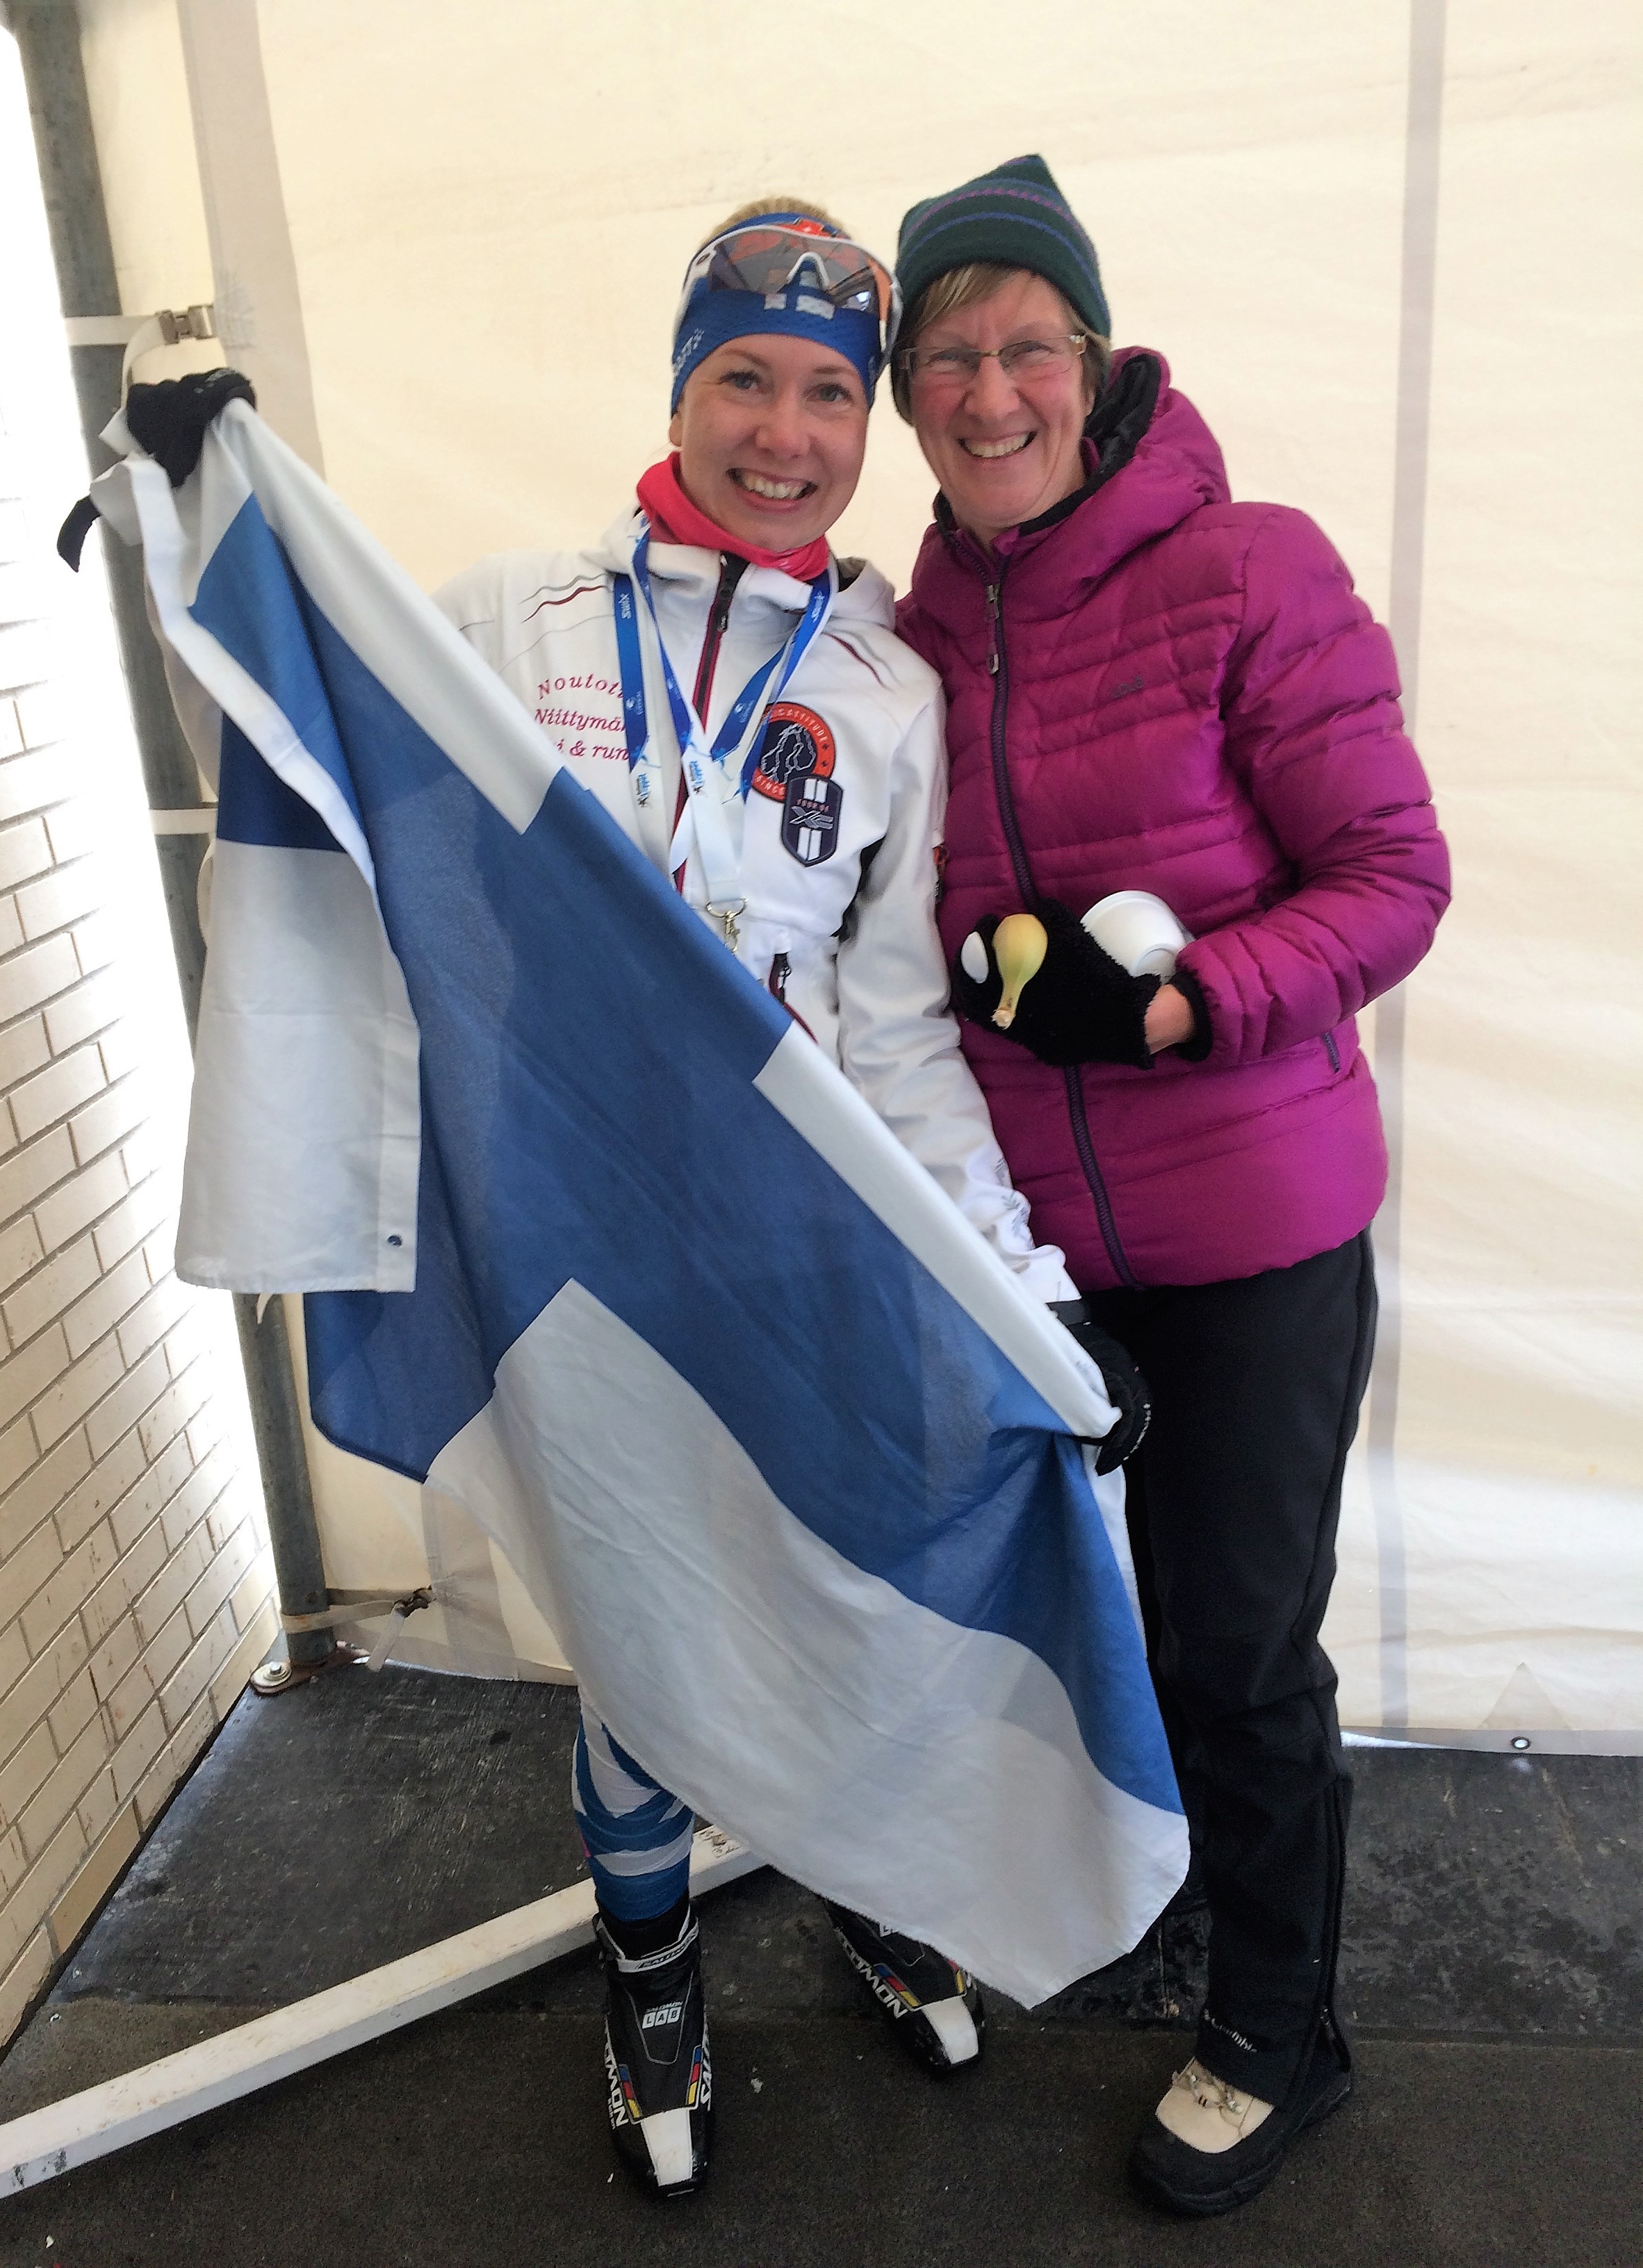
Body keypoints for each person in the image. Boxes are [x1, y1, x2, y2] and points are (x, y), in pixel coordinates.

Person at [433, 198, 1150, 2199]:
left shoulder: (887, 688)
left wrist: (1023, 1291)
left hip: (797, 1246)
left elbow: (901, 1037)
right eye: (742, 379)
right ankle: (650, 1967)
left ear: (867, 424)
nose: (784, 433)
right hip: (579, 1242)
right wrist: (192, 523)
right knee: (644, 1624)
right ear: (680, 389)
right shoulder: (506, 621)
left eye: (829, 394)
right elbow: (319, 763)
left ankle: (862, 1871)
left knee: (844, 1587)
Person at [889, 155, 1451, 2217]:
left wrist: (1179, 1002)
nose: (990, 391)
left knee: (1234, 1646)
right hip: (1028, 1250)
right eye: (944, 358)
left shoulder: (1250, 569)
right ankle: (1166, 1902)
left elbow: (1393, 880)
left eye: (1027, 343)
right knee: (1075, 1630)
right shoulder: (908, 636)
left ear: (1100, 359)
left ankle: (1283, 2032)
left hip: (1252, 1238)